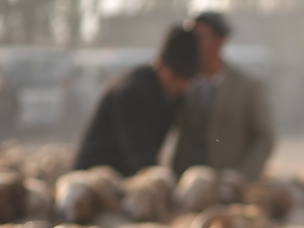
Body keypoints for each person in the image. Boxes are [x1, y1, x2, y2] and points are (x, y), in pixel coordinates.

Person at [74, 24, 199, 177]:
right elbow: (140, 155)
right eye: (175, 76)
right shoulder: (132, 92)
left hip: (128, 178)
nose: (180, 84)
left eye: (186, 79)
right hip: (96, 178)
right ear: (159, 64)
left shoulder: (175, 96)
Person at [171, 10, 275, 182]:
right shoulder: (182, 83)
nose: (192, 44)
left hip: (225, 187)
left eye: (199, 37)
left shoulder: (247, 86)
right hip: (186, 185)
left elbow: (264, 137)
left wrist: (241, 177)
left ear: (220, 41)